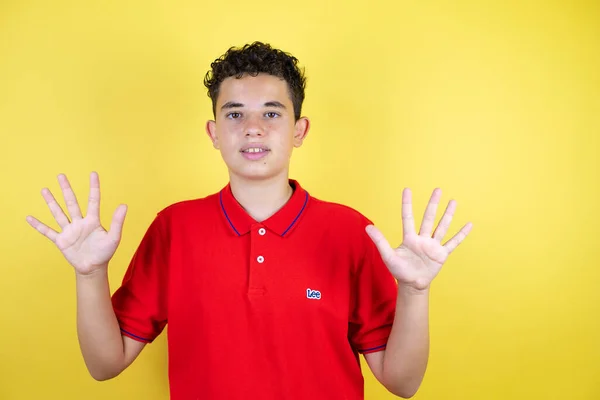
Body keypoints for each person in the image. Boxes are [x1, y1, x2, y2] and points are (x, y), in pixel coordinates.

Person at [26, 42, 472, 399]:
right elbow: (105, 366)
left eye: (272, 113)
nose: (253, 128)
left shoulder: (351, 232)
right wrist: (90, 275)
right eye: (235, 113)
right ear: (214, 132)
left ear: (299, 131)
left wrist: (415, 291)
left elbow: (403, 383)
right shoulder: (174, 228)